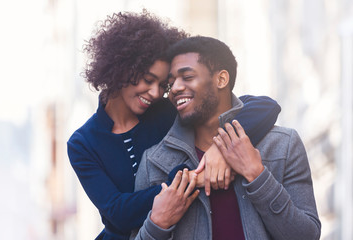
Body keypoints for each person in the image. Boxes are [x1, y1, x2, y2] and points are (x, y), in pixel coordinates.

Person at [67, 10, 281, 240]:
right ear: (121, 68)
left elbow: (264, 107)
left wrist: (221, 147)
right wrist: (190, 180)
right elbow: (118, 214)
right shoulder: (83, 143)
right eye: (148, 80)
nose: (155, 93)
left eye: (163, 85)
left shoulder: (168, 111)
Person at [132, 36, 321, 240]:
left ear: (221, 79)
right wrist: (157, 225)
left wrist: (257, 175)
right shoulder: (154, 163)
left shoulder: (283, 145)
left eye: (187, 77)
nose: (175, 88)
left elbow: (307, 236)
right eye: (171, 83)